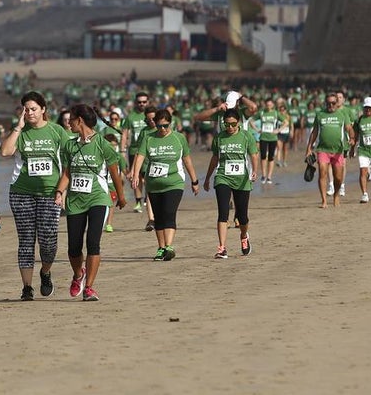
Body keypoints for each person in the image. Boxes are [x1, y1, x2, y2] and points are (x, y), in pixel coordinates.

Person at [54, 104, 127, 301]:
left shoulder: (102, 144)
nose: (68, 123)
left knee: (93, 243)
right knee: (73, 248)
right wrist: (59, 191)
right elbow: (67, 173)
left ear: (80, 120)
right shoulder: (70, 145)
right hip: (75, 201)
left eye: (71, 120)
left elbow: (114, 173)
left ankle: (89, 288)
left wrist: (121, 196)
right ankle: (79, 274)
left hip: (98, 198)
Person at [0, 91, 66, 300]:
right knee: (26, 240)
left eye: (34, 109)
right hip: (21, 193)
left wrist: (62, 191)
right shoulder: (20, 132)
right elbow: (5, 152)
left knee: (48, 241)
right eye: (26, 109)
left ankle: (45, 272)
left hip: (50, 193)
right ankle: (27, 287)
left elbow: (69, 162)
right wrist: (18, 127)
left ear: (43, 110)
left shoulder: (57, 131)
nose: (29, 113)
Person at [130, 108, 198, 261]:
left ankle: (169, 246)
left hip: (174, 182)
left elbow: (187, 160)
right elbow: (140, 156)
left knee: (169, 212)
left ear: (170, 123)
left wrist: (195, 180)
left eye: (165, 126)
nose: (162, 129)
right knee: (158, 217)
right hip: (153, 183)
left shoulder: (179, 138)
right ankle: (161, 248)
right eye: (159, 126)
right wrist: (135, 175)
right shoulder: (148, 138)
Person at [203, 111, 258, 259]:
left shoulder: (246, 136)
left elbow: (253, 154)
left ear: (239, 122)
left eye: (233, 124)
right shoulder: (219, 137)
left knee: (242, 216)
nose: (230, 127)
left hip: (241, 180)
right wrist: (207, 177)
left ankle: (244, 235)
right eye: (227, 124)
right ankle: (222, 248)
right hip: (223, 177)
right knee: (223, 212)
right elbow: (215, 158)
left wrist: (254, 171)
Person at [306, 92, 354, 209]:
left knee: (338, 177)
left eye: (333, 103)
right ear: (325, 103)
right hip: (323, 149)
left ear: (337, 103)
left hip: (338, 150)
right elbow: (315, 132)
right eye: (328, 103)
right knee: (322, 172)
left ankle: (336, 195)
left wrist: (352, 138)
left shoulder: (342, 115)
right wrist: (309, 148)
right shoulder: (320, 114)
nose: (331, 105)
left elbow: (349, 128)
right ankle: (324, 200)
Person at [255, 99, 283, 185]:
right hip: (263, 137)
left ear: (273, 105)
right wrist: (257, 129)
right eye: (267, 104)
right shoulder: (261, 112)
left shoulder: (275, 113)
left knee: (271, 157)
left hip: (273, 138)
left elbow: (285, 122)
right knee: (263, 156)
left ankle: (269, 176)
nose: (268, 106)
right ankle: (263, 175)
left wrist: (278, 130)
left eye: (270, 104)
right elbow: (251, 120)